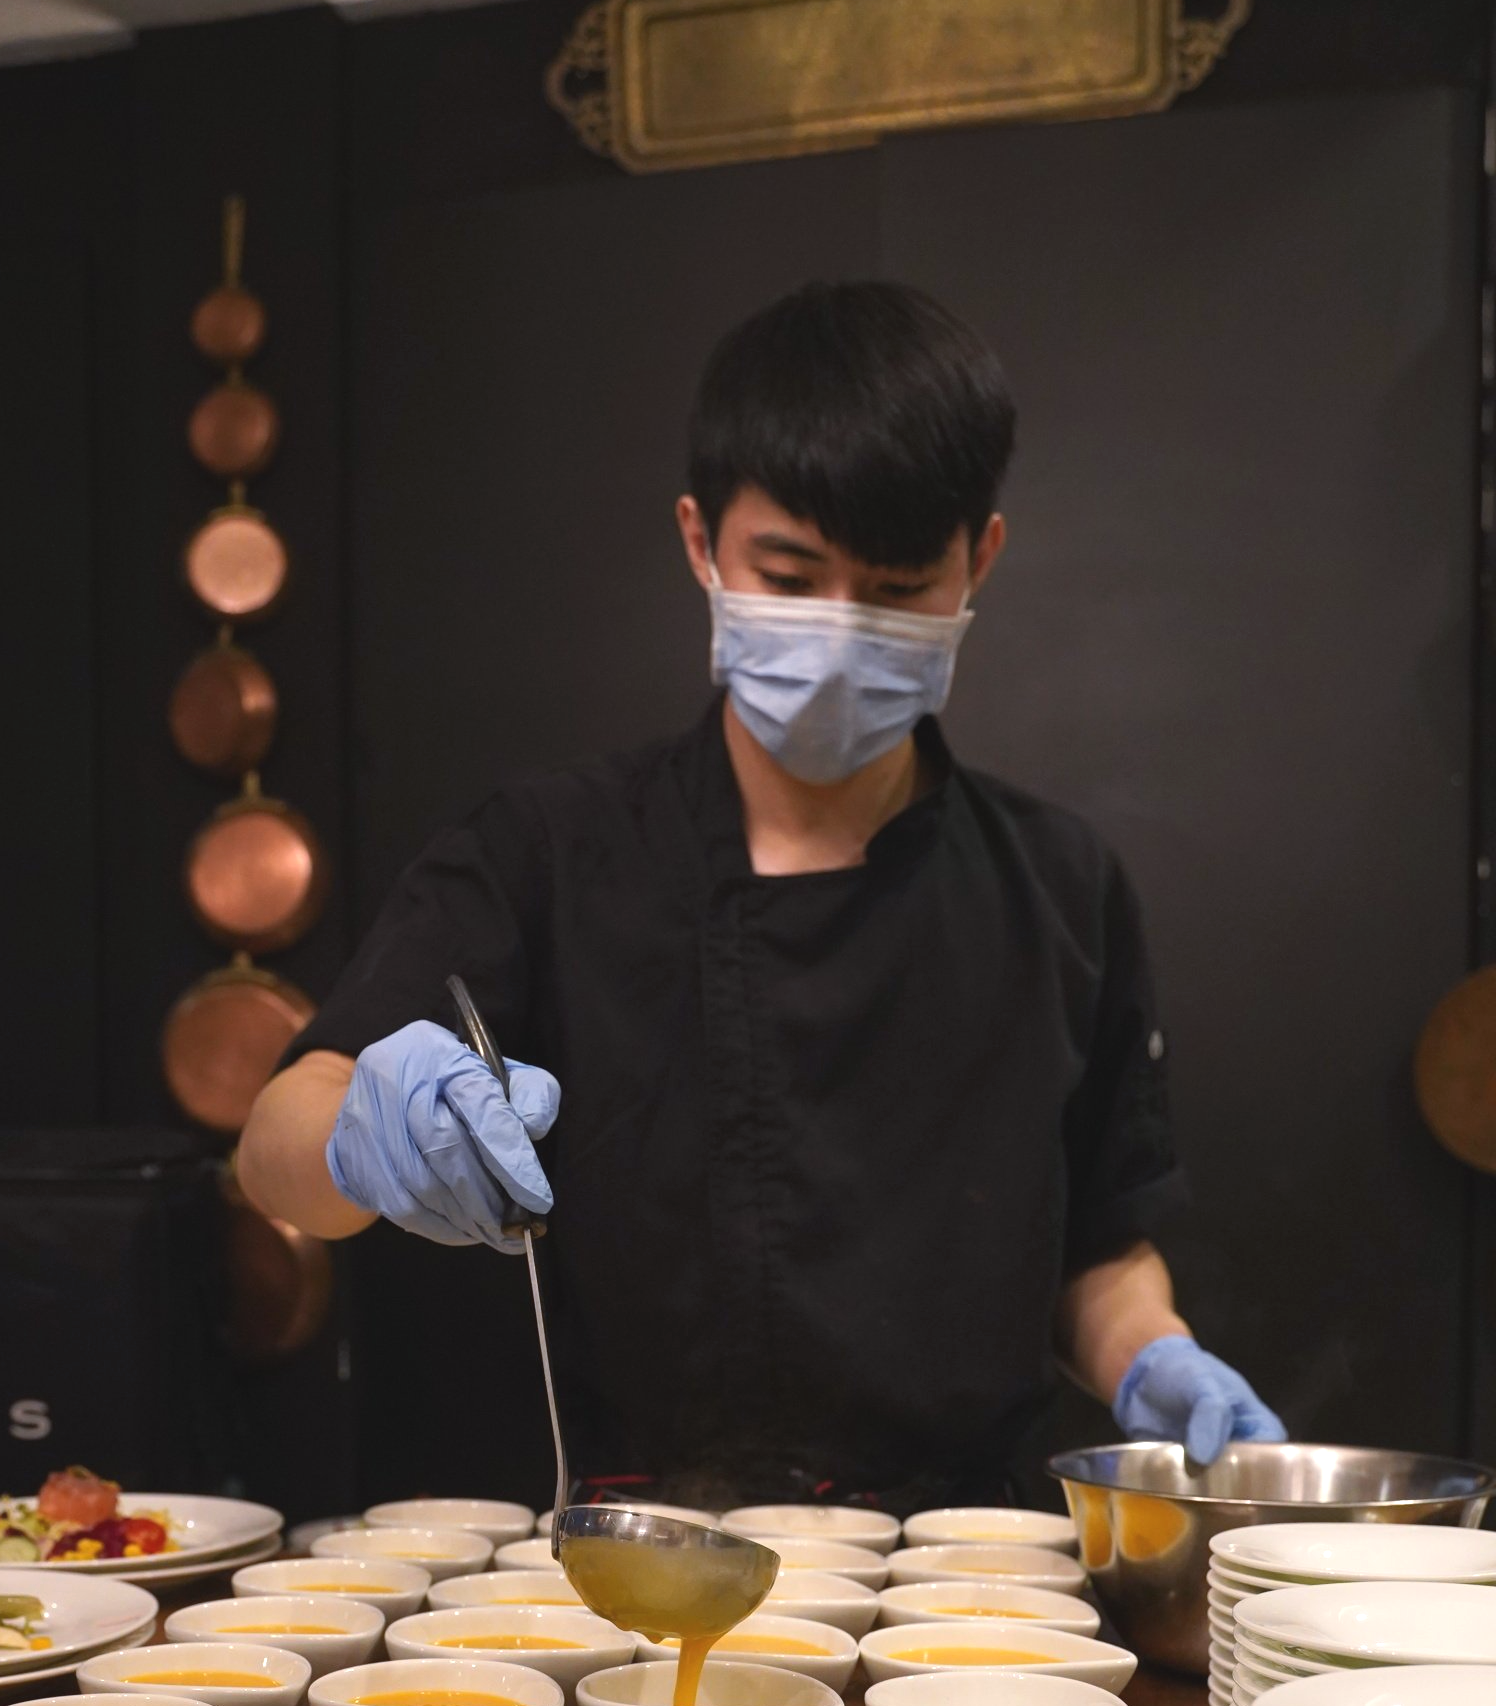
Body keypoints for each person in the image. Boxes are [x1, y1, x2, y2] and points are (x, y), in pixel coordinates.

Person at [238, 280, 1283, 1508]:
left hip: (965, 1562)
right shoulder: (546, 852)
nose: (838, 635)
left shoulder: (1061, 886)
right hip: (630, 1543)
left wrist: (1149, 1354)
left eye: (898, 590)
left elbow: (1099, 1248)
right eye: (788, 576)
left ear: (979, 560)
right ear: (701, 543)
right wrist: (359, 1135)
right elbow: (276, 1142)